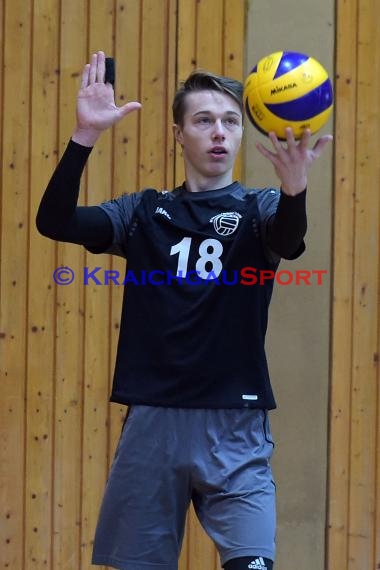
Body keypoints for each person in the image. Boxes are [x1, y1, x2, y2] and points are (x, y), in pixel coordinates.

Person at [36, 50, 332, 570]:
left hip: (235, 425)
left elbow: (290, 236)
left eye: (230, 121)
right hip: (153, 421)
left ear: (242, 133)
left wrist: (295, 189)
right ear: (179, 135)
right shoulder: (143, 213)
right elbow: (55, 221)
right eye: (203, 120)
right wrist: (84, 138)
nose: (218, 132)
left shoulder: (260, 209)